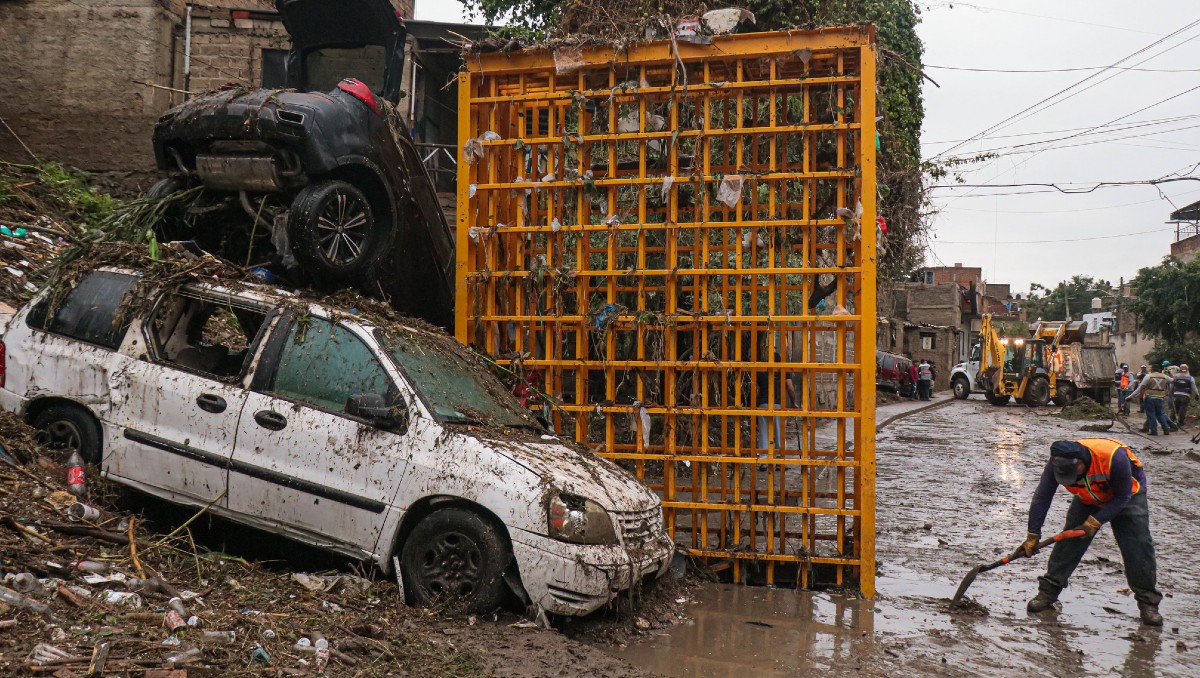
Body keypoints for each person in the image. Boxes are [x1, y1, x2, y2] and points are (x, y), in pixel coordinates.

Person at [1022, 438, 1162, 626]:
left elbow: (1122, 496)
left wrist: (1096, 521)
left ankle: (1148, 603)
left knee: (1137, 546)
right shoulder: (1056, 463)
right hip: (1089, 497)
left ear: (1080, 463)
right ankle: (1048, 592)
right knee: (1069, 541)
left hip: (1127, 497)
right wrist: (1033, 533)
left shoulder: (1114, 457)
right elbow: (1043, 496)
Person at [755, 357, 797, 452]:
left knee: (763, 432)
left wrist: (756, 404)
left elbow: (756, 389)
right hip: (778, 405)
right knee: (779, 432)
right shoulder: (783, 370)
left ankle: (764, 459)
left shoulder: (761, 370)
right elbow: (790, 387)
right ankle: (779, 458)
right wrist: (793, 402)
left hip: (763, 404)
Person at [1129, 364, 1172, 435]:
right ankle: (1166, 429)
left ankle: (1154, 431)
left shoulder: (1148, 376)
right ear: (1159, 370)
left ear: (1152, 369)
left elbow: (1140, 388)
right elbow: (1173, 380)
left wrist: (1130, 396)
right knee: (1160, 414)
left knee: (1151, 414)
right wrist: (1169, 373)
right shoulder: (1165, 377)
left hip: (1150, 398)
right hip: (1160, 398)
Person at [1169, 364, 1198, 431]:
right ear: (1187, 369)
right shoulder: (1190, 378)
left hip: (1176, 395)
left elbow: (1171, 386)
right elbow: (1194, 388)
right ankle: (1180, 422)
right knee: (1183, 409)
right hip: (1185, 396)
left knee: (1174, 409)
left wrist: (1171, 393)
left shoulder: (1175, 377)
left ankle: (1171, 422)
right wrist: (1197, 395)